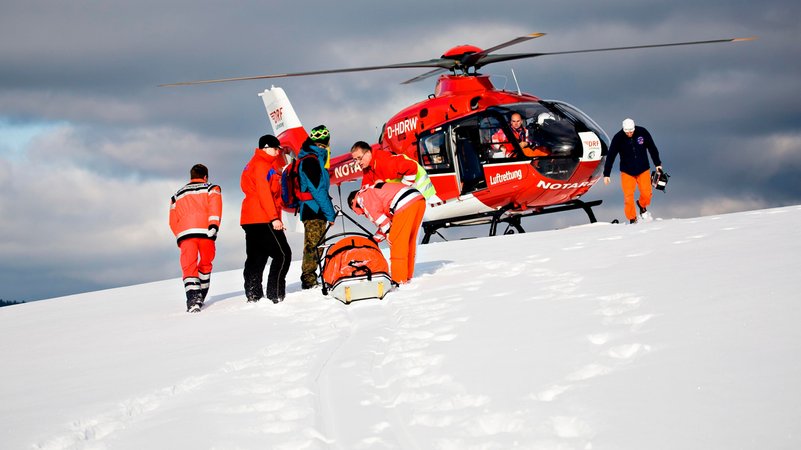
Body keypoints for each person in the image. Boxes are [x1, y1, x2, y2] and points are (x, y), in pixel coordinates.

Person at [240, 134, 291, 303]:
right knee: (283, 254)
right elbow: (264, 193)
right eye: (276, 149)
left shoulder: (252, 164)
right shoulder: (262, 165)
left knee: (257, 257)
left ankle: (254, 295)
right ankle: (275, 294)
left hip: (250, 218)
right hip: (262, 217)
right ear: (266, 148)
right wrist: (274, 218)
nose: (278, 152)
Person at [347, 182, 426, 284]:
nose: (359, 213)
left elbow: (382, 221)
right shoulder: (372, 193)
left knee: (397, 243)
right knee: (409, 241)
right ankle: (407, 275)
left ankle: (398, 279)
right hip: (418, 200)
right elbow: (388, 222)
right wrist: (375, 239)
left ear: (353, 202)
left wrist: (389, 234)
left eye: (354, 210)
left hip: (403, 203)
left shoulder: (362, 198)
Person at [169, 164, 222, 313]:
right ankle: (201, 295)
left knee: (189, 266)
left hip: (186, 235)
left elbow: (172, 220)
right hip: (206, 233)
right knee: (205, 263)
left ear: (191, 176)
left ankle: (193, 299)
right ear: (205, 177)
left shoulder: (177, 195)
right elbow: (215, 207)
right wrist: (214, 225)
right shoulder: (212, 188)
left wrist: (180, 234)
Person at [297, 125, 337, 290]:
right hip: (313, 209)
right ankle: (308, 280)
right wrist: (330, 213)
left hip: (314, 209)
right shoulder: (310, 161)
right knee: (314, 246)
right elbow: (318, 190)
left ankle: (311, 277)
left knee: (317, 245)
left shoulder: (314, 158)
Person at [603, 118, 663, 224]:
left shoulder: (642, 132)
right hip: (627, 171)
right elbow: (611, 156)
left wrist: (657, 163)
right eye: (627, 132)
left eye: (631, 131)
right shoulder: (618, 138)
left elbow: (652, 148)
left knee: (646, 193)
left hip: (643, 168)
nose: (630, 133)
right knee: (628, 196)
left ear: (634, 128)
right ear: (624, 130)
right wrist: (606, 174)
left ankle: (642, 205)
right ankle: (632, 218)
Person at [349, 140, 441, 205]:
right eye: (355, 160)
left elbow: (412, 167)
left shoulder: (384, 161)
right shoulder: (368, 169)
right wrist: (357, 200)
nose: (357, 163)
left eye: (359, 158)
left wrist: (403, 191)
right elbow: (366, 190)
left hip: (426, 197)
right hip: (413, 200)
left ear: (368, 152)